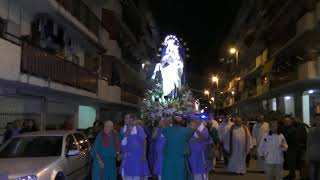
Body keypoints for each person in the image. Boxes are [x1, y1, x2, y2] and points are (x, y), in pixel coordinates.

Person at [120, 114, 150, 180]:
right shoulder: (122, 129)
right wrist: (130, 127)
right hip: (127, 157)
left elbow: (144, 141)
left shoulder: (139, 128)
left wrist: (144, 154)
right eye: (126, 118)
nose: (127, 120)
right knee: (126, 175)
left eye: (129, 118)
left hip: (138, 157)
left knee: (138, 175)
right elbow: (124, 135)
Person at [282, 115, 308, 180]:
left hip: (299, 148)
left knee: (300, 163)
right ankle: (292, 174)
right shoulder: (286, 128)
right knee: (292, 163)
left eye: (288, 121)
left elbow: (304, 137)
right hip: (291, 148)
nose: (287, 122)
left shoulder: (299, 127)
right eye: (285, 121)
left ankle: (302, 176)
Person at [307, 113, 320, 180]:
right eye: (317, 119)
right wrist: (307, 156)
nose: (318, 121)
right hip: (312, 157)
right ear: (315, 120)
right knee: (312, 176)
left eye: (319, 119)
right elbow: (308, 144)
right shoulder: (311, 130)